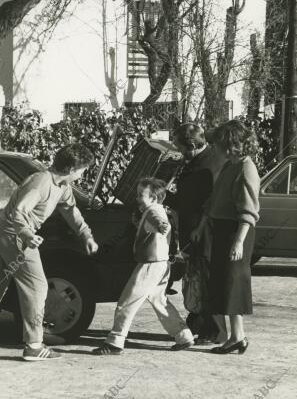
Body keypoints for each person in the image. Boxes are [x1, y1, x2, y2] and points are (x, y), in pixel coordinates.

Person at [0, 144, 99, 361]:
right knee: (37, 286)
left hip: (12, 234)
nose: (83, 174)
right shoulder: (41, 183)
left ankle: (35, 338)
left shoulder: (62, 186)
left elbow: (71, 210)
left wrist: (86, 236)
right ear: (72, 168)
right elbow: (19, 212)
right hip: (14, 235)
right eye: (82, 170)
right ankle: (34, 346)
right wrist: (27, 234)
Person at [92, 177, 195, 355]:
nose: (138, 197)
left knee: (127, 302)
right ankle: (183, 335)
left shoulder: (153, 211)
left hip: (150, 264)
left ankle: (115, 341)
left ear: (154, 198)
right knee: (159, 301)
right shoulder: (156, 209)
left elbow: (158, 222)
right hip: (161, 264)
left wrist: (162, 226)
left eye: (141, 195)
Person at [191, 119, 260, 354]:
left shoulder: (245, 168)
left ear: (230, 144)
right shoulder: (231, 165)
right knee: (224, 284)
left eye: (219, 142)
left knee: (233, 283)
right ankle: (236, 336)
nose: (215, 147)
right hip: (221, 230)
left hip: (236, 232)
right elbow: (214, 200)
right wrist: (202, 226)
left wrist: (239, 241)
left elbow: (249, 211)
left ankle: (237, 336)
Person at [165, 123, 226, 343]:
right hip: (196, 229)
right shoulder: (199, 160)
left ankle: (212, 330)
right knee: (198, 278)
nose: (179, 152)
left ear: (191, 144)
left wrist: (168, 197)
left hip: (205, 231)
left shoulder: (208, 165)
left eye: (180, 147)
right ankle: (199, 322)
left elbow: (195, 201)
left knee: (205, 279)